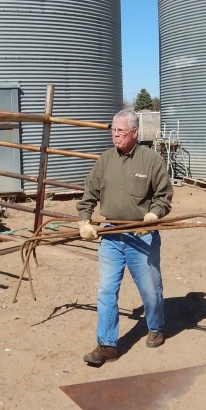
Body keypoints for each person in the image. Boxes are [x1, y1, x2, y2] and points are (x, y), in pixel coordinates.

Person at [76, 109, 174, 365]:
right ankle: (107, 345)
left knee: (150, 290)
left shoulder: (151, 160)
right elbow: (90, 191)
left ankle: (155, 326)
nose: (115, 135)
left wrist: (153, 215)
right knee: (106, 290)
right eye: (113, 131)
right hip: (111, 234)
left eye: (120, 131)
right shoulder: (105, 160)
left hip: (141, 236)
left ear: (134, 132)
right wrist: (84, 218)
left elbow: (164, 196)